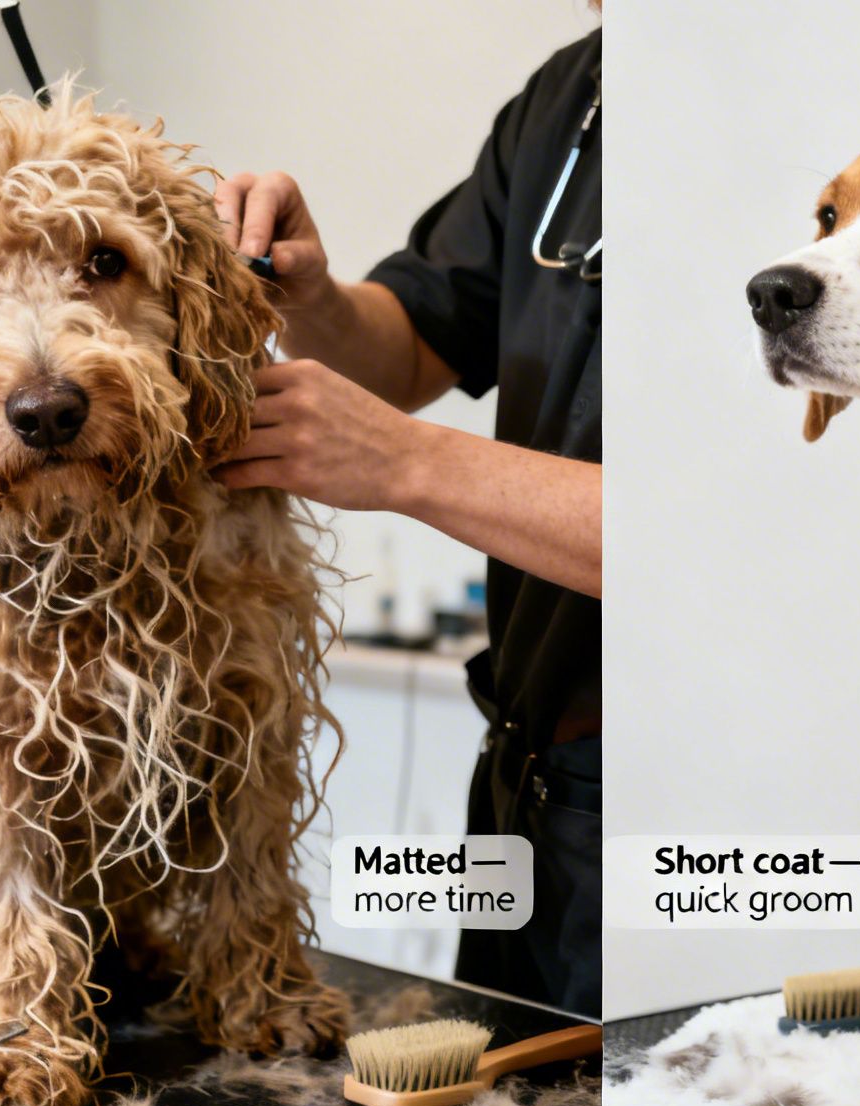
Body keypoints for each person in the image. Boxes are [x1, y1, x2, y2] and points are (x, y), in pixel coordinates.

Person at [213, 28, 602, 1017]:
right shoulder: (573, 93)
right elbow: (406, 345)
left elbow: (729, 547)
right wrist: (308, 296)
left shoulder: (784, 106)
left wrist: (404, 464)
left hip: (679, 816)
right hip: (528, 781)